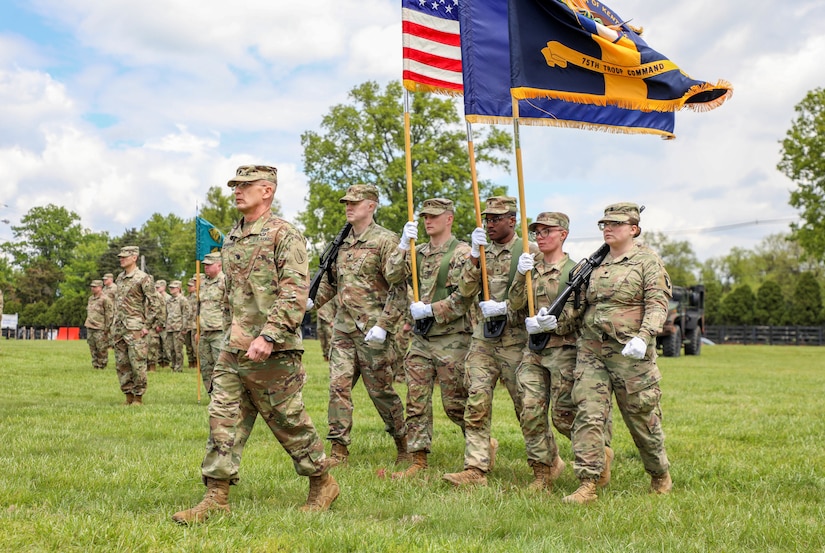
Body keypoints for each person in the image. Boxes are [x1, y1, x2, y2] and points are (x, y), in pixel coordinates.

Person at [172, 165, 337, 524]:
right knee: (222, 419)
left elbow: (295, 293)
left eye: (245, 185)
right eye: (235, 185)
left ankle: (322, 481)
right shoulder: (232, 237)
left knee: (288, 422)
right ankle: (216, 497)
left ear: (267, 190)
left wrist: (268, 335)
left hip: (272, 349)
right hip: (234, 348)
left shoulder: (284, 234)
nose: (236, 191)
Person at [563, 203, 672, 504]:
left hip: (630, 354)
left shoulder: (647, 261)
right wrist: (554, 320)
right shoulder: (593, 264)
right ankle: (588, 482)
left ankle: (659, 474)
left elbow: (657, 303)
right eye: (604, 224)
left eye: (616, 223)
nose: (608, 228)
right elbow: (579, 306)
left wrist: (645, 335)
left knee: (641, 418)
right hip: (592, 350)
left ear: (634, 228)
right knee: (588, 414)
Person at [508, 212, 613, 492]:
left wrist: (555, 322)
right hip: (534, 351)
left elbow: (581, 311)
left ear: (563, 234)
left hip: (564, 349)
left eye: (546, 232)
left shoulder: (576, 270)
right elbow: (515, 303)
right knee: (529, 411)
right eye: (537, 233)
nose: (540, 237)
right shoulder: (530, 266)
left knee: (564, 416)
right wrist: (520, 274)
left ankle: (598, 452)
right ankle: (543, 472)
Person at [442, 196, 538, 487]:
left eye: (497, 218)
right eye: (487, 219)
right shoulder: (481, 251)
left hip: (516, 341)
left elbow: (540, 296)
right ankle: (475, 468)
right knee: (476, 401)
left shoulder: (528, 251)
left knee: (526, 406)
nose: (490, 224)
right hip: (483, 339)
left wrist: (508, 304)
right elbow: (464, 291)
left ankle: (544, 467)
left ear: (512, 220)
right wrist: (473, 255)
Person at [310, 184, 409, 467]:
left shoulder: (386, 241)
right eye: (346, 203)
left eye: (355, 202)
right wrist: (309, 302)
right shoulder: (341, 242)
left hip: (372, 330)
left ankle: (404, 442)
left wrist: (385, 325)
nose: (348, 207)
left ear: (371, 206)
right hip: (343, 328)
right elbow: (331, 282)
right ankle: (339, 450)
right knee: (337, 386)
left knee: (380, 391)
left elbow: (398, 289)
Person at [384, 198, 474, 479]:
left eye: (434, 216)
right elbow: (391, 275)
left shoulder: (462, 254)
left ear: (449, 219)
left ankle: (480, 448)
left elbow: (464, 296)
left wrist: (432, 309)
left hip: (452, 337)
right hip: (422, 339)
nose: (428, 221)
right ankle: (418, 460)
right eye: (424, 216)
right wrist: (401, 246)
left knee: (455, 403)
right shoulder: (416, 251)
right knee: (416, 400)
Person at [111, 246, 161, 405]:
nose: (121, 259)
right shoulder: (119, 278)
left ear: (134, 257)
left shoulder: (143, 278)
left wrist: (147, 325)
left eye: (125, 256)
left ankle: (138, 397)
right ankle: (128, 396)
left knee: (137, 364)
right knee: (122, 363)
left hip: (135, 328)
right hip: (119, 327)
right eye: (120, 256)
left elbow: (155, 304)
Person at [198, 252, 226, 393]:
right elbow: (200, 307)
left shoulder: (225, 282)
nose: (206, 268)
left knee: (221, 367)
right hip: (204, 332)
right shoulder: (203, 283)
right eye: (205, 265)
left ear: (219, 265)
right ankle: (213, 397)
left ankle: (224, 398)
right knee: (205, 367)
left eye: (209, 265)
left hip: (219, 331)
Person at [84, 279, 113, 370]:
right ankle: (95, 364)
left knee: (101, 348)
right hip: (90, 326)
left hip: (100, 327)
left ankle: (102, 365)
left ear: (100, 287)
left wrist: (107, 328)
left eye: (95, 287)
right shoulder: (90, 298)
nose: (92, 288)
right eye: (92, 287)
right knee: (92, 347)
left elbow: (109, 314)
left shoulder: (105, 299)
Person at [165, 280, 187, 372]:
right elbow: (166, 313)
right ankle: (173, 365)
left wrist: (184, 327)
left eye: (173, 288)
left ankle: (179, 367)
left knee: (178, 349)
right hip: (170, 327)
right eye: (170, 287)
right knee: (171, 348)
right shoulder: (169, 300)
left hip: (178, 328)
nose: (171, 289)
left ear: (178, 289)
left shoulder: (182, 300)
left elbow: (185, 314)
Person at [147, 279, 167, 372]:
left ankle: (152, 367)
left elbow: (162, 311)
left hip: (154, 325)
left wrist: (160, 324)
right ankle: (146, 366)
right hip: (144, 324)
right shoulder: (145, 295)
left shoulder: (157, 296)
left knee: (153, 345)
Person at [184, 277, 198, 368]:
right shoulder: (186, 298)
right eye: (188, 286)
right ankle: (191, 362)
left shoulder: (197, 296)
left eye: (191, 286)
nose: (189, 288)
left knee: (195, 345)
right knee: (188, 345)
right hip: (188, 324)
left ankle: (197, 363)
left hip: (195, 324)